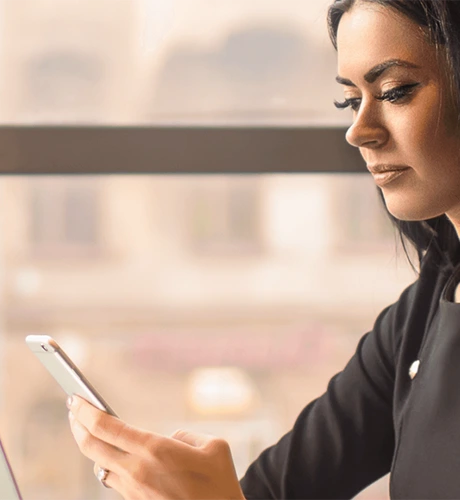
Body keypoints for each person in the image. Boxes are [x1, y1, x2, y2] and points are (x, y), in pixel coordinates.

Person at [65, 0, 460, 498]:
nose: (358, 130)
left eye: (394, 91)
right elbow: (273, 490)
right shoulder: (422, 312)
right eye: (350, 100)